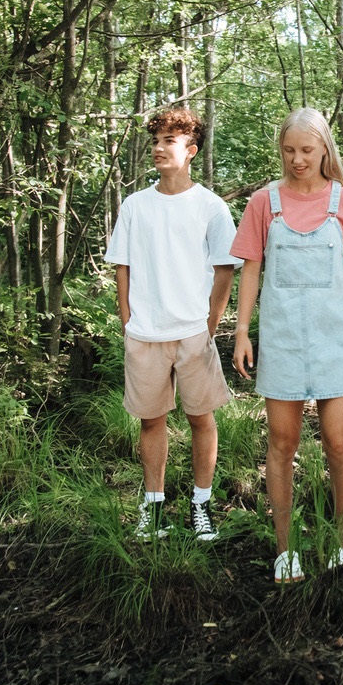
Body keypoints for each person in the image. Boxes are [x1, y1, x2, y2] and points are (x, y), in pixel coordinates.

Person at [231, 108, 343, 583]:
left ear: (324, 151)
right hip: (282, 340)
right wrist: (241, 332)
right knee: (282, 443)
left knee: (339, 442)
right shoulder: (263, 202)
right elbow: (250, 268)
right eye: (289, 150)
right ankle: (285, 549)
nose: (297, 159)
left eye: (307, 151)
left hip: (336, 338)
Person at [103, 107, 240, 542]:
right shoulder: (135, 205)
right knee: (151, 421)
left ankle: (201, 506)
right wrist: (128, 320)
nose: (160, 149)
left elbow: (225, 268)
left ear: (191, 150)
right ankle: (154, 509)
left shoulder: (211, 207)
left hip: (193, 333)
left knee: (201, 418)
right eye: (156, 141)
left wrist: (212, 321)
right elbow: (121, 265)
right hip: (145, 333)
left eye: (170, 141)